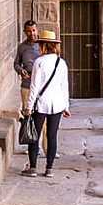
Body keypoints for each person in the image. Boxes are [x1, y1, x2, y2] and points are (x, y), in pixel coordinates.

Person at [24, 30, 71, 177]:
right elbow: (64, 86)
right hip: (57, 103)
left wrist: (28, 106)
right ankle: (49, 168)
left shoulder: (39, 62)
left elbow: (34, 87)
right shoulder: (61, 63)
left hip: (41, 104)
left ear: (43, 46)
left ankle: (32, 168)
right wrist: (66, 106)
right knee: (52, 136)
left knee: (35, 135)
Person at [13, 20, 41, 117]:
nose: (32, 33)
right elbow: (16, 63)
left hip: (41, 85)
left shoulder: (43, 45)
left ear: (37, 30)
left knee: (41, 115)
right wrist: (21, 70)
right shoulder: (22, 47)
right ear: (25, 32)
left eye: (34, 30)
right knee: (28, 115)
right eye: (29, 31)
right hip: (27, 84)